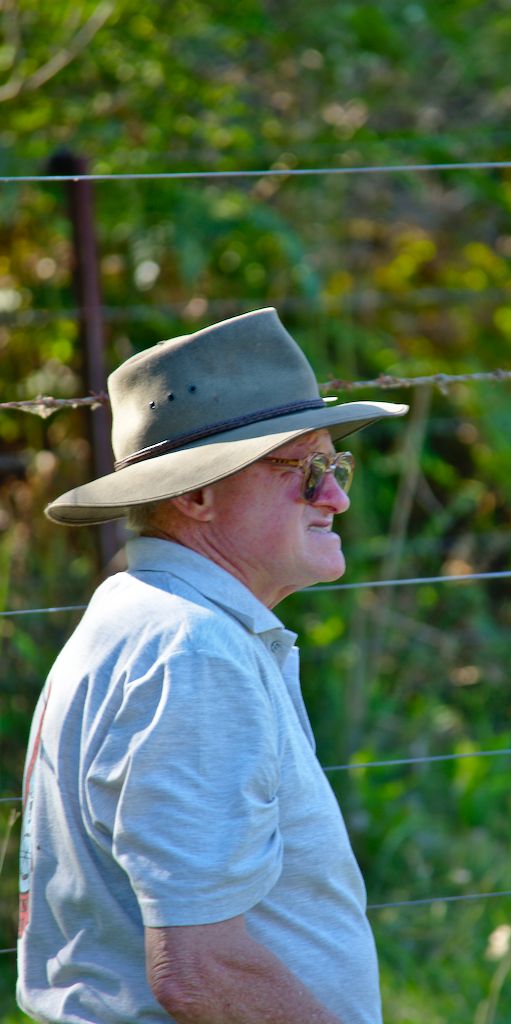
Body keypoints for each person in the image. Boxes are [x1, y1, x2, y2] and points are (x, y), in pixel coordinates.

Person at [17, 307, 407, 1024]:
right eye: (305, 469)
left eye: (337, 464)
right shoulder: (191, 651)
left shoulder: (139, 614)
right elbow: (202, 972)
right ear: (195, 495)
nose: (337, 496)